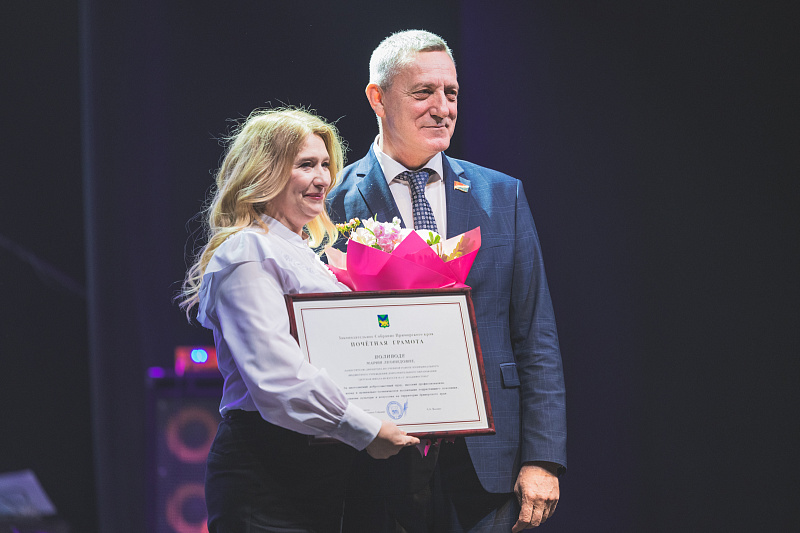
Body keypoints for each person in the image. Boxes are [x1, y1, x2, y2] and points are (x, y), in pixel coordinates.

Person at [327, 31, 567, 532]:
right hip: (371, 465)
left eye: (451, 93)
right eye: (423, 93)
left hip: (489, 466)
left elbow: (535, 333)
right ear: (377, 98)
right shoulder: (331, 202)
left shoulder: (502, 195)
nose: (442, 108)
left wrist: (543, 457)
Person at [179, 108, 420, 533]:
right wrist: (365, 429)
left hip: (320, 469)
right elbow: (276, 377)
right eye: (306, 164)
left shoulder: (303, 254)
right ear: (264, 172)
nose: (323, 178)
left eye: (326, 164)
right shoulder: (247, 251)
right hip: (267, 471)